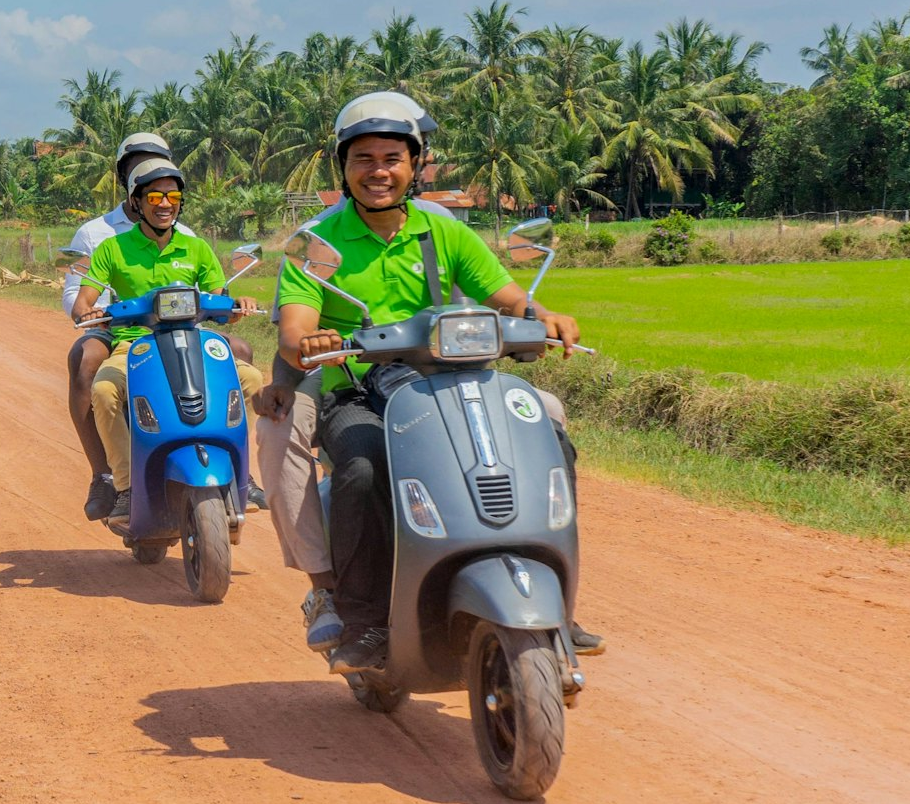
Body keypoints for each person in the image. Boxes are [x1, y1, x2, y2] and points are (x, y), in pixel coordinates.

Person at [274, 98, 591, 675]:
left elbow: (506, 294)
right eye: (363, 159)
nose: (378, 171)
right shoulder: (319, 242)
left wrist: (542, 314)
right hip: (360, 386)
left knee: (543, 426)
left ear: (415, 164)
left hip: (454, 378)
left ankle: (559, 604)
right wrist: (312, 341)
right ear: (342, 169)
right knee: (363, 463)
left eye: (393, 158)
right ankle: (364, 621)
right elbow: (295, 328)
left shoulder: (443, 229)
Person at [62, 132, 262, 520]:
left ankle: (242, 473)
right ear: (135, 195)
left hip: (192, 337)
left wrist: (237, 306)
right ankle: (117, 482)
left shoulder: (195, 244)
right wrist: (89, 312)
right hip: (133, 343)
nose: (165, 204)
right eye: (154, 196)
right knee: (102, 390)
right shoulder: (106, 243)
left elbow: (217, 300)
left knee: (251, 379)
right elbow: (81, 300)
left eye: (172, 196)